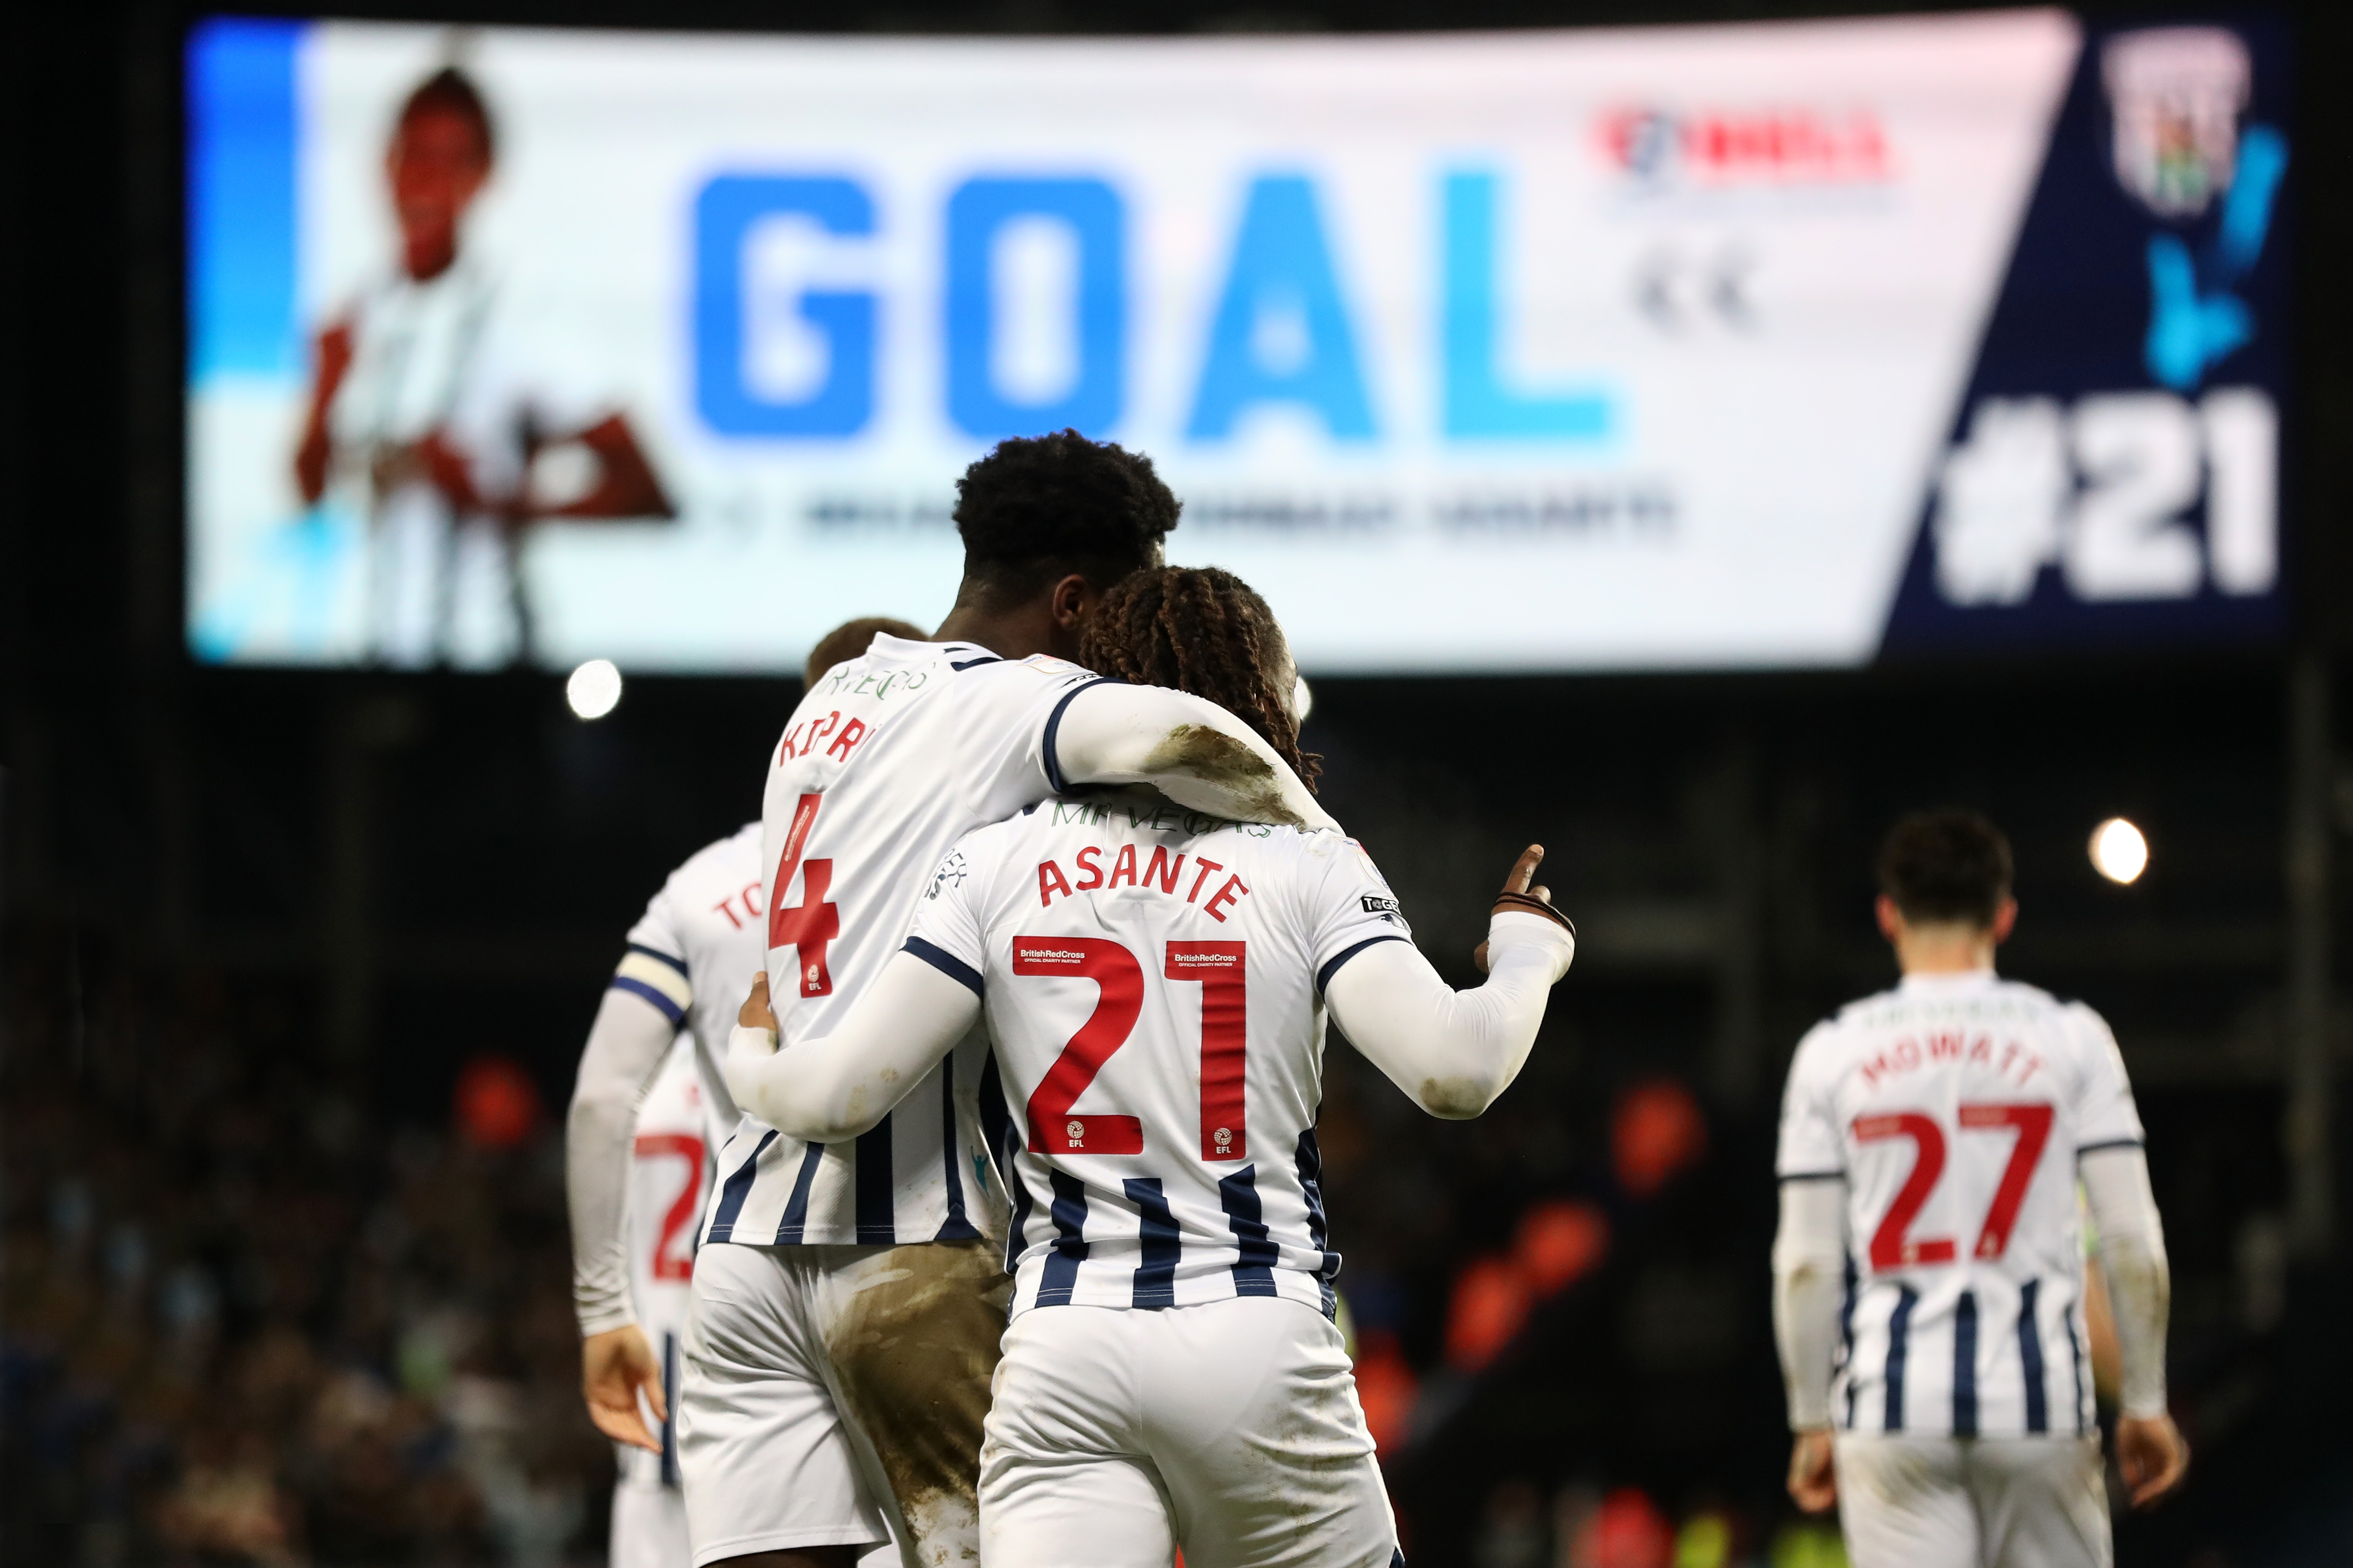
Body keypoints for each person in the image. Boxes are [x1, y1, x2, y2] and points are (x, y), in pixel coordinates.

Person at [724, 567, 1579, 1568]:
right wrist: (1529, 953)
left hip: (1063, 1352)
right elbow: (1457, 1073)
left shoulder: (996, 859)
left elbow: (831, 1100)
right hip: (1255, 1333)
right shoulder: (1306, 855)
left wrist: (750, 1051)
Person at [677, 433, 1339, 1568]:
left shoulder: (838, 692)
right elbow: (1193, 735)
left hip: (746, 1239)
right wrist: (1326, 853)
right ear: (1076, 602)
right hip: (915, 1242)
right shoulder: (1023, 698)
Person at [568, 618, 923, 1568]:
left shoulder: (706, 886)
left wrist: (605, 1308)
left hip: (752, 1276)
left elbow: (605, 1096)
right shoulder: (975, 857)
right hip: (926, 1268)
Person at [1772, 810, 2188, 1568]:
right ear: (2003, 916)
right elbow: (2131, 1239)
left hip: (1891, 1411)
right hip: (2038, 1409)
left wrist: (1809, 1419)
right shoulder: (2071, 1035)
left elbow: (1804, 1263)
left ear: (1887, 915)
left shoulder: (1830, 1050)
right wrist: (2145, 1402)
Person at [293, 64, 673, 669]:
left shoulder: (521, 319)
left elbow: (648, 491)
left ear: (483, 178)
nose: (426, 181)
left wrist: (497, 502)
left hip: (486, 669)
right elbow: (309, 493)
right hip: (363, 659)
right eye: (414, 154)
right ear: (386, 163)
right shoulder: (355, 316)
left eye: (453, 162)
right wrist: (323, 397)